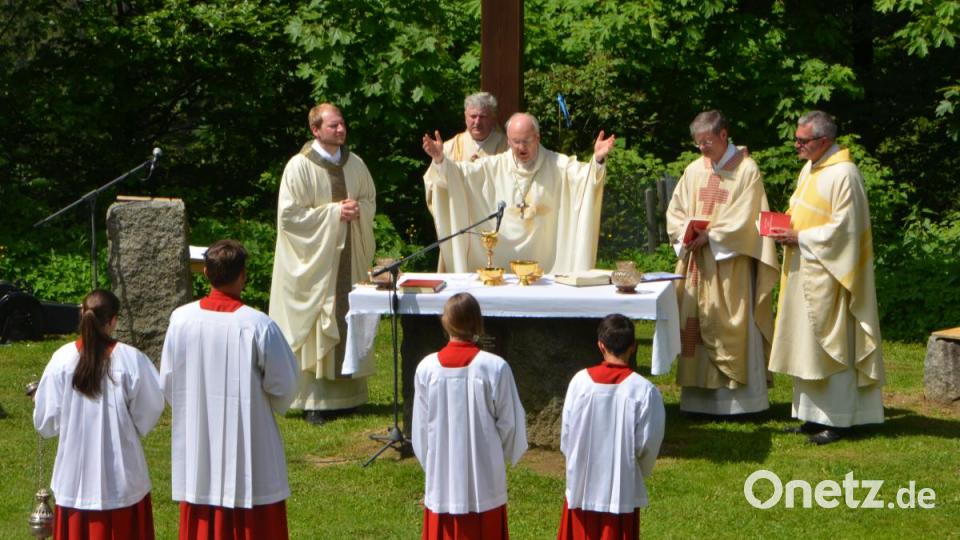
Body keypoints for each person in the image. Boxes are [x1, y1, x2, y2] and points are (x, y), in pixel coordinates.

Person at [161, 239, 299, 538]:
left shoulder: (181, 320)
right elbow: (284, 383)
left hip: (198, 436)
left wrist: (191, 404)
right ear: (242, 275)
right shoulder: (257, 324)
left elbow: (169, 381)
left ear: (207, 274)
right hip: (250, 438)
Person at [768, 111, 885, 445]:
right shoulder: (811, 168)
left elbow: (846, 230)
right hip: (805, 269)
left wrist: (801, 238)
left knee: (831, 345)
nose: (797, 146)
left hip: (833, 276)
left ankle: (839, 419)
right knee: (806, 346)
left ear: (824, 141)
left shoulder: (845, 174)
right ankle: (811, 415)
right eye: (797, 139)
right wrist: (784, 227)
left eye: (803, 141)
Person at [665, 110, 780, 416]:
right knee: (693, 325)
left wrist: (712, 236)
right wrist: (685, 233)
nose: (702, 148)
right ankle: (697, 400)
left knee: (733, 323)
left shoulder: (747, 171)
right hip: (697, 264)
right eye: (698, 143)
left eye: (707, 141)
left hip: (731, 266)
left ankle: (741, 404)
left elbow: (747, 217)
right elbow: (675, 210)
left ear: (724, 135)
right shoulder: (693, 171)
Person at [269, 103, 377, 425]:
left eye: (342, 124)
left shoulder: (356, 164)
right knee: (319, 321)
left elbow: (370, 199)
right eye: (333, 126)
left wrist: (359, 210)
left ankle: (349, 396)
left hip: (347, 259)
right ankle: (313, 401)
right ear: (316, 130)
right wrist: (333, 214)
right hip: (316, 266)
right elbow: (288, 217)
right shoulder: (298, 167)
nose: (341, 130)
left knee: (348, 317)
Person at [34, 289, 164, 540]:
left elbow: (46, 422)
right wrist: (130, 428)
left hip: (75, 477)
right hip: (122, 474)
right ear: (113, 321)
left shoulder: (62, 360)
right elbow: (151, 406)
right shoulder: (131, 359)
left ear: (82, 314)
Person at [421, 112, 615, 274]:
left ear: (537, 138)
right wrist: (440, 160)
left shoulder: (558, 165)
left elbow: (585, 179)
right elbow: (460, 176)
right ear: (508, 140)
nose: (521, 148)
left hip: (548, 267)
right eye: (515, 142)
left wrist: (596, 160)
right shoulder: (494, 166)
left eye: (526, 141)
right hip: (501, 266)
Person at [412, 292, 528, 540]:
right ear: (478, 323)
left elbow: (421, 429)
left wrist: (433, 465)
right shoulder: (495, 367)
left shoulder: (426, 368)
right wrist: (497, 456)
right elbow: (510, 424)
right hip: (484, 474)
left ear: (445, 322)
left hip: (442, 474)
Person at [557, 314, 665, 540]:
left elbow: (567, 434)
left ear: (600, 345)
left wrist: (576, 462)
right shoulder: (643, 390)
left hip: (582, 483)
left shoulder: (580, 382)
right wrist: (634, 471)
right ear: (633, 347)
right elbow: (648, 442)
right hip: (621, 487)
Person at [427, 92, 509, 271]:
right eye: (473, 116)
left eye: (483, 116)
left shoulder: (507, 148)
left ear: (493, 118)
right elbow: (434, 188)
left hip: (495, 232)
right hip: (460, 228)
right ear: (465, 117)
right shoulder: (448, 148)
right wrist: (439, 162)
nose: (477, 122)